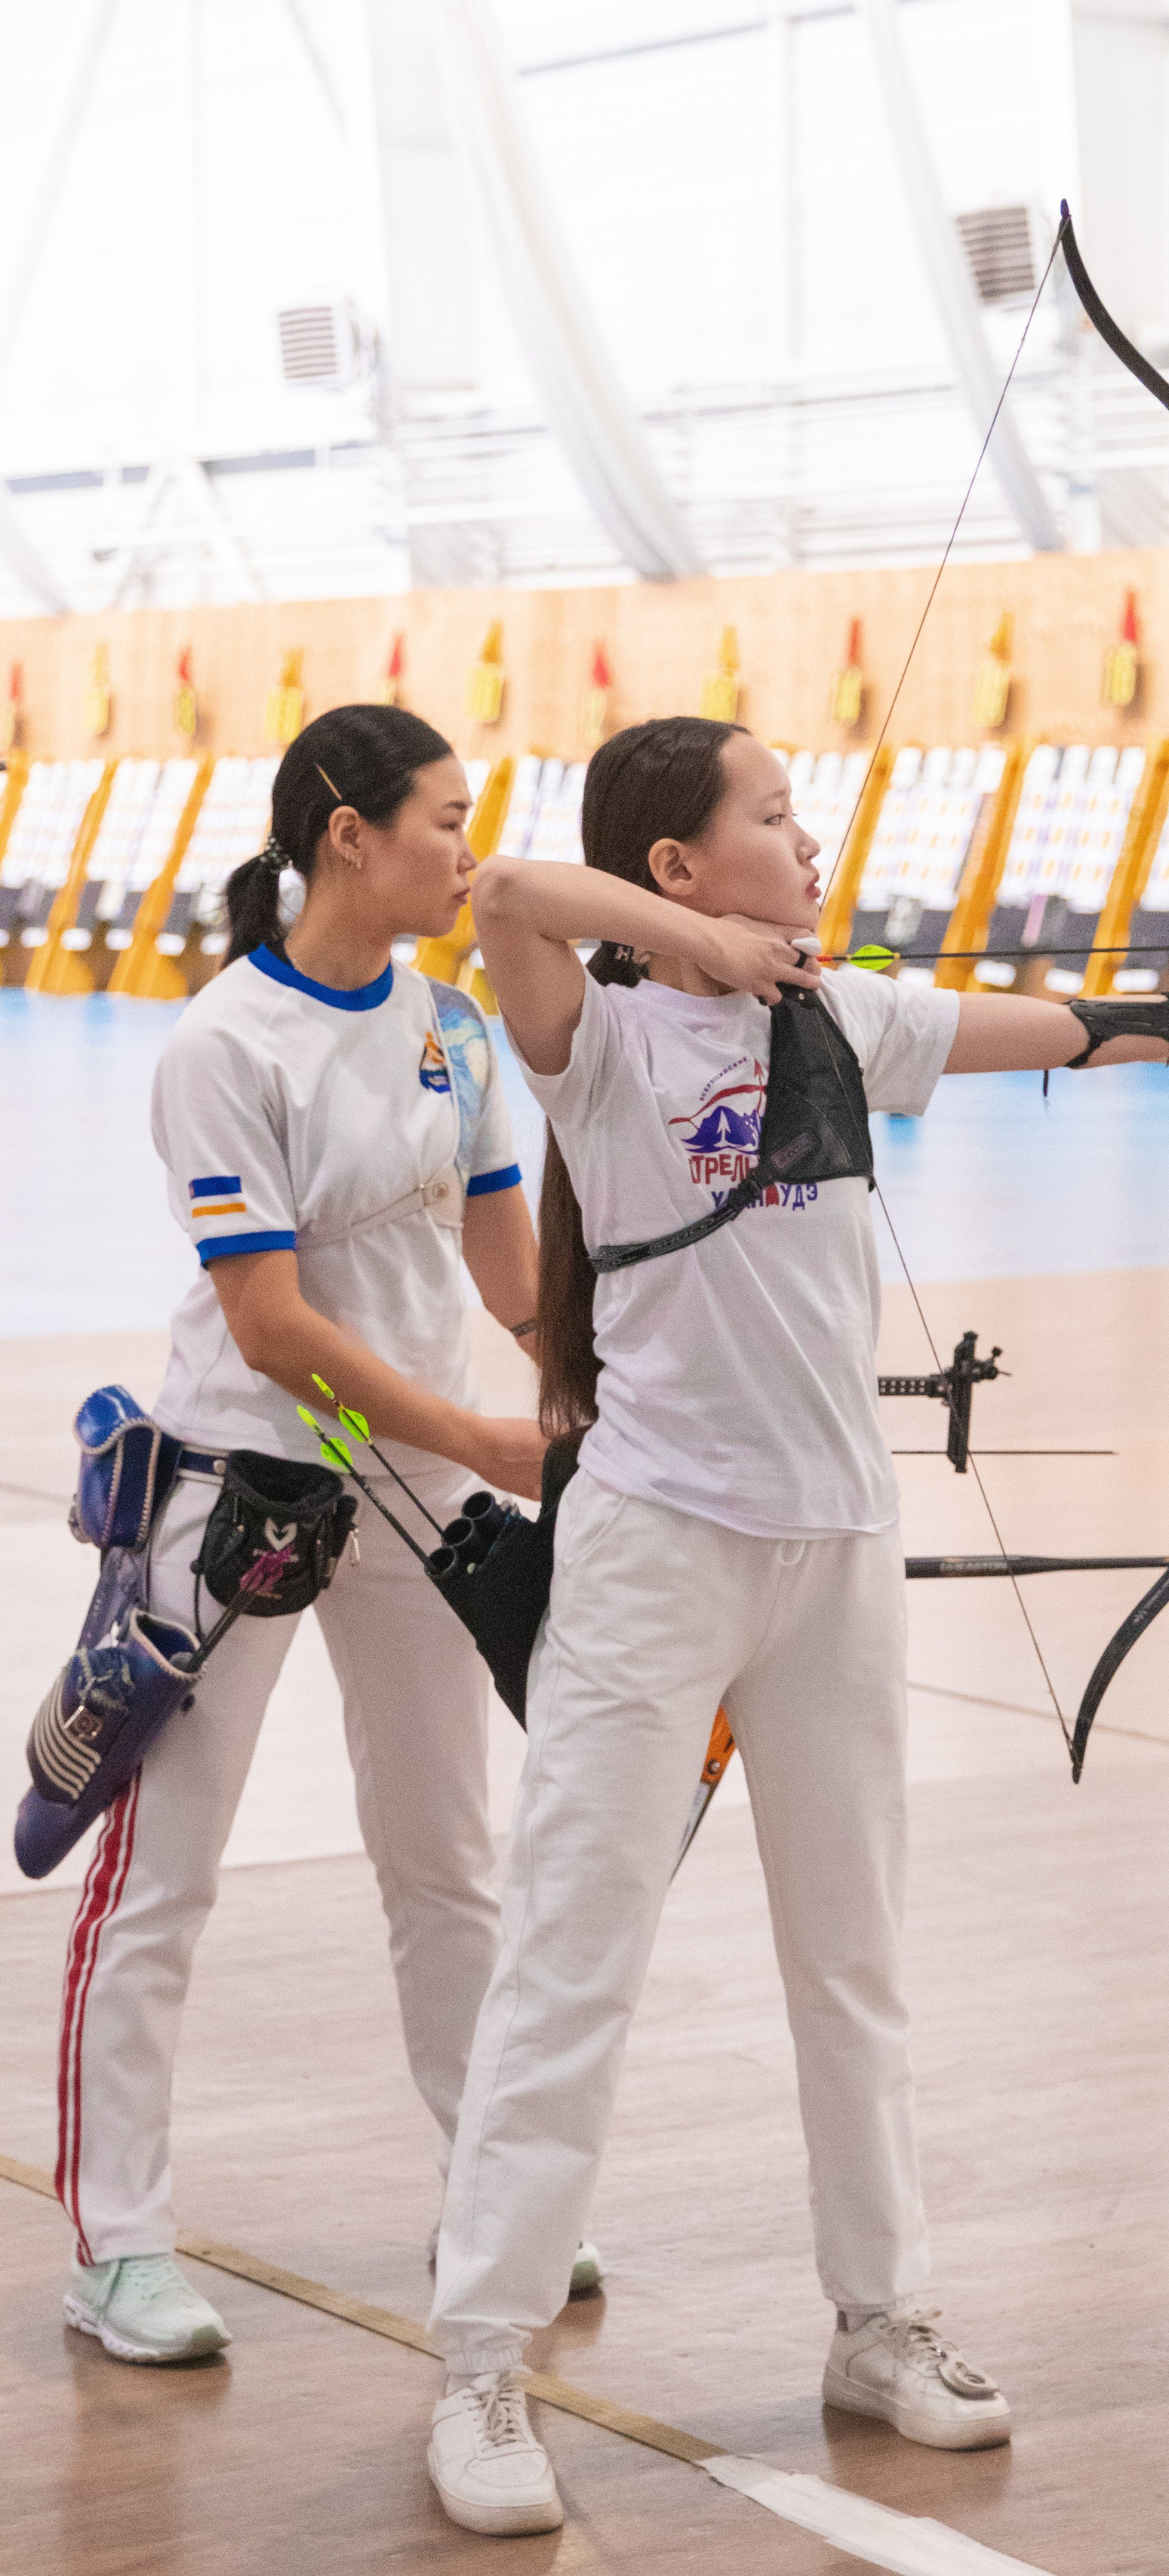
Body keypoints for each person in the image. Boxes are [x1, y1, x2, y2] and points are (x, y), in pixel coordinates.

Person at [421, 716, 1169, 2535]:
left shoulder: (846, 1022)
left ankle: (880, 2322)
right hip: (652, 1554)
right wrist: (690, 949)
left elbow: (1095, 1028)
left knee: (851, 1962)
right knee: (572, 1958)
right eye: (770, 821)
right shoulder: (604, 1041)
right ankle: (481, 2364)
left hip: (833, 1558)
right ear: (683, 869)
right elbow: (509, 901)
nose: (808, 840)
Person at [57, 705, 565, 2369]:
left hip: (417, 1497)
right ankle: (117, 2244)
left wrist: (609, 1381)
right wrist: (484, 1435)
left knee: (447, 1863)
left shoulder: (452, 1028)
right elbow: (269, 1325)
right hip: (239, 1498)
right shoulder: (226, 1047)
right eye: (443, 818)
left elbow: (508, 1285)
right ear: (347, 832)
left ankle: (487, 2202)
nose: (466, 850)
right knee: (163, 1879)